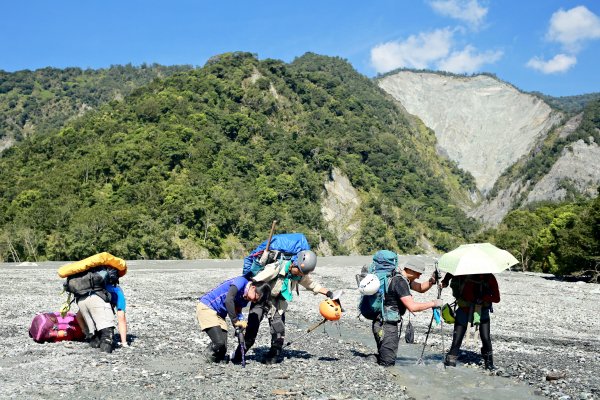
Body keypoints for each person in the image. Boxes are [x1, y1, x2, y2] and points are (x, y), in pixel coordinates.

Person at [233, 249, 334, 365]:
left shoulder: (299, 275)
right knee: (252, 328)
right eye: (300, 271)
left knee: (278, 330)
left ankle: (272, 355)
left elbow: (312, 285)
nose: (301, 275)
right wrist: (238, 297)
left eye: (303, 273)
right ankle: (239, 355)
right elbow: (254, 280)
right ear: (294, 264)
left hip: (278, 302)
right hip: (260, 299)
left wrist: (328, 293)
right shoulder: (275, 268)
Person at [371, 258, 441, 367]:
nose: (418, 276)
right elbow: (412, 307)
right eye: (418, 273)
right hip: (387, 326)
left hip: (380, 322)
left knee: (385, 356)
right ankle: (367, 362)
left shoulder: (399, 277)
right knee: (388, 362)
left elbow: (420, 288)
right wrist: (433, 303)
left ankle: (372, 363)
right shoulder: (400, 282)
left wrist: (431, 281)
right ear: (411, 270)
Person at [197, 276, 271, 363]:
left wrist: (239, 327)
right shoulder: (241, 281)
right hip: (207, 307)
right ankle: (205, 356)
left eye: (256, 301)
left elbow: (237, 310)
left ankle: (215, 360)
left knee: (222, 350)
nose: (254, 301)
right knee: (219, 342)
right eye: (255, 298)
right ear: (253, 288)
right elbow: (228, 300)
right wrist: (235, 321)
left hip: (220, 315)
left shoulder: (246, 298)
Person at [441, 272, 500, 370]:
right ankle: (489, 365)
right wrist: (445, 281)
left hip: (476, 311)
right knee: (481, 338)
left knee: (483, 338)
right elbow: (496, 298)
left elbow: (497, 298)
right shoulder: (487, 277)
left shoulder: (486, 277)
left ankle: (450, 364)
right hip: (469, 310)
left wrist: (445, 281)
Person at [105, 279, 128, 347]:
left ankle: (95, 337)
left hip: (103, 291)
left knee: (103, 316)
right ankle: (124, 342)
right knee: (121, 316)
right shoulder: (115, 269)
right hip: (116, 290)